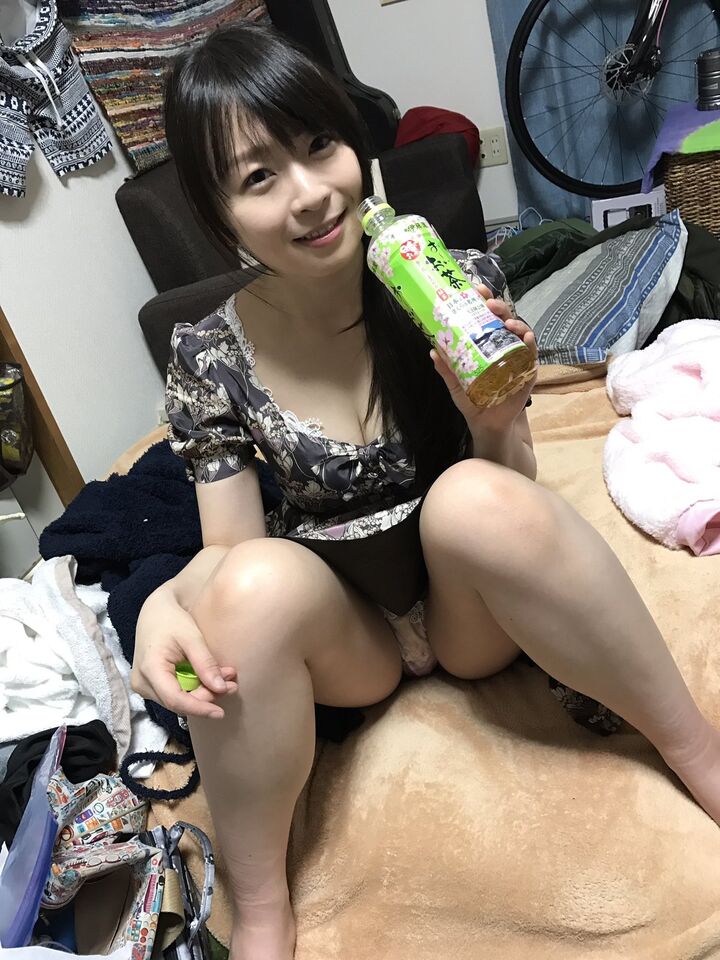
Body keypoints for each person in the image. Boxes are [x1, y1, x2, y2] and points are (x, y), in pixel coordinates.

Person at [131, 22, 720, 960]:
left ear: (356, 146)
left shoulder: (445, 282)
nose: (310, 193)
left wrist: (495, 417)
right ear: (218, 215)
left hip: (467, 606)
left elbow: (516, 499)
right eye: (259, 177)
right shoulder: (208, 353)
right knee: (248, 586)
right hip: (348, 635)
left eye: (319, 145)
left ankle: (697, 748)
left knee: (474, 498)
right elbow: (229, 552)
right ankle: (265, 906)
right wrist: (163, 604)